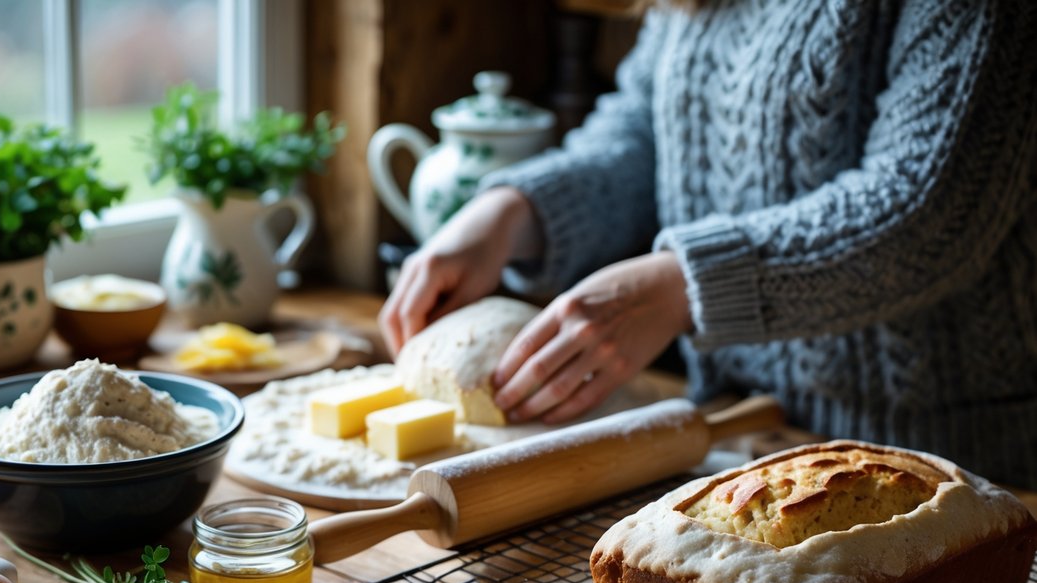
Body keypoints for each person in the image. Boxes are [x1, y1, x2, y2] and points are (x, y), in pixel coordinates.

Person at [380, 0, 1037, 489]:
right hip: (732, 441)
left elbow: (923, 212)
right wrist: (510, 211)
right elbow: (642, 132)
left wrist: (682, 286)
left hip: (940, 462)